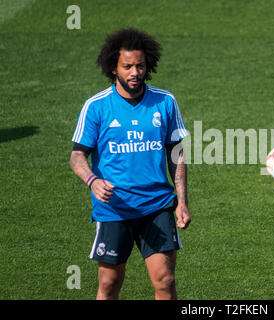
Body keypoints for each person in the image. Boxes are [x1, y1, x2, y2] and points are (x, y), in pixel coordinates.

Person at [70, 28, 191, 300]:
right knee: (110, 283)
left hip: (156, 205)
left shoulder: (165, 102)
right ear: (113, 68)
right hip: (114, 208)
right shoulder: (96, 106)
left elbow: (177, 154)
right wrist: (93, 181)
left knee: (165, 280)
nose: (134, 72)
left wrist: (182, 201)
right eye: (127, 66)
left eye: (140, 65)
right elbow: (77, 156)